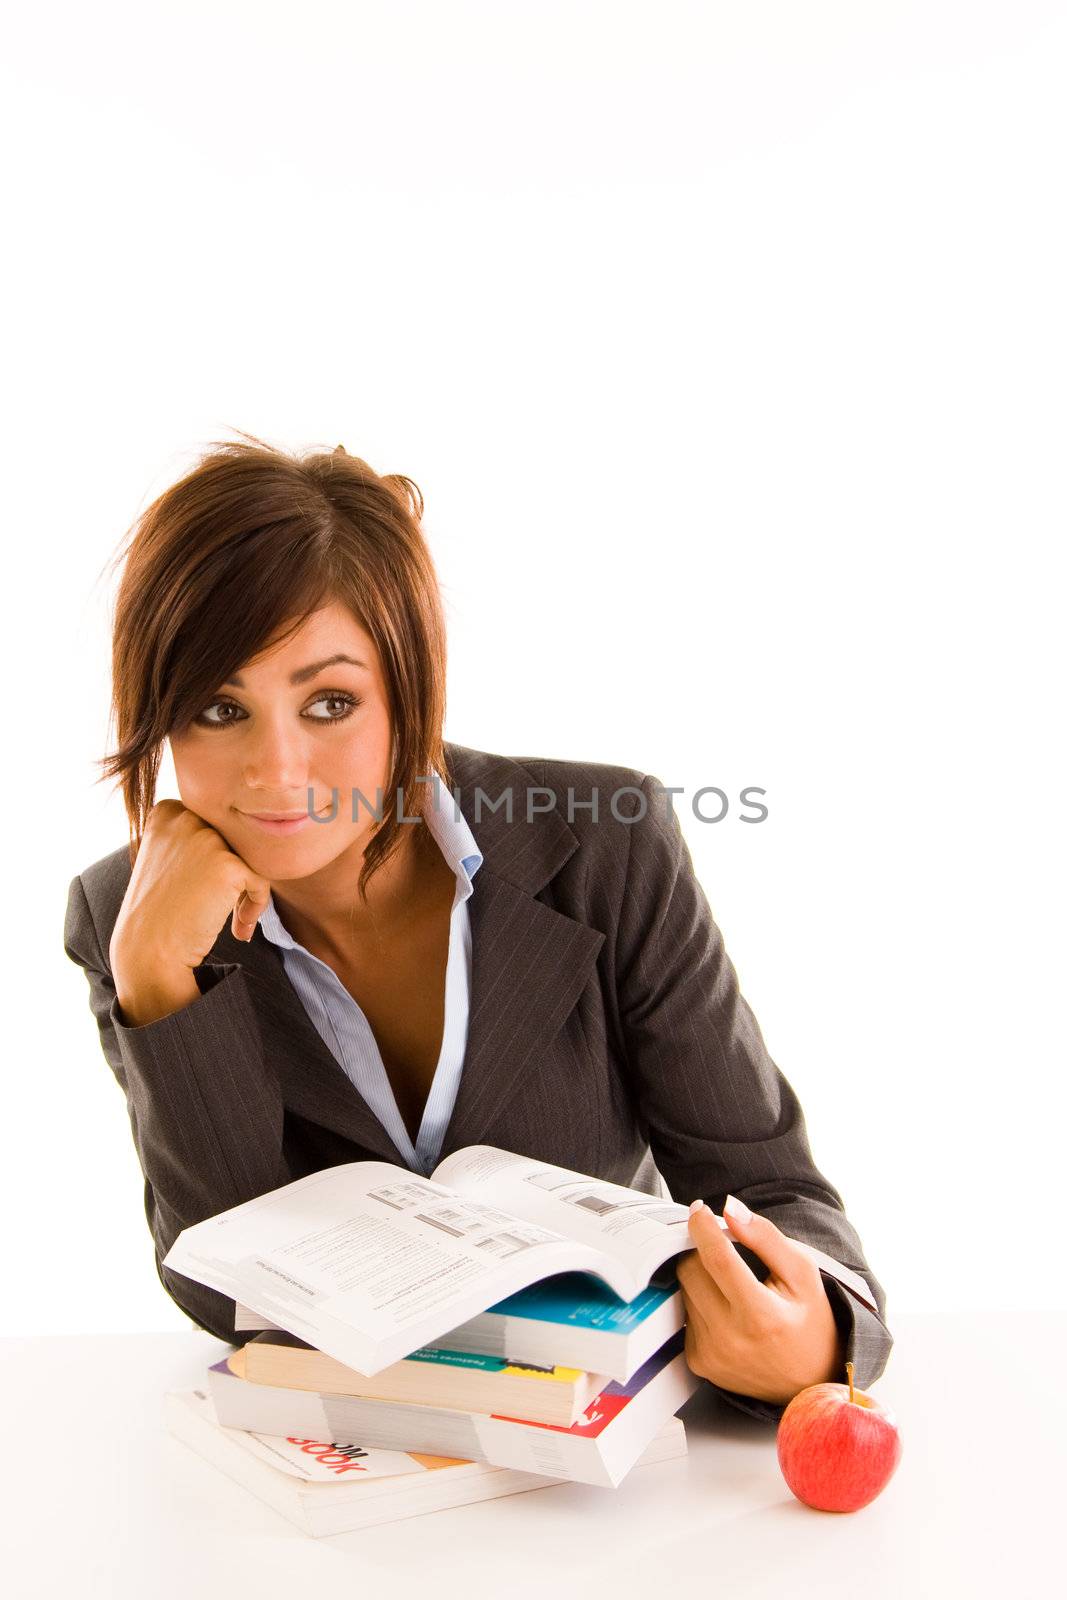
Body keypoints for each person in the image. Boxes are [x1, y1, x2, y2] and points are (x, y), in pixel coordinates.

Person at [63, 435, 893, 1424]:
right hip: (350, 1499)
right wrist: (160, 979)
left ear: (409, 690)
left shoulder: (601, 845)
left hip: (620, 1479)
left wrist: (815, 1339)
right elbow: (231, 1296)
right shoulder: (128, 918)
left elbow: (774, 1193)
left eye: (329, 701)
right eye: (215, 708)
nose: (275, 769)